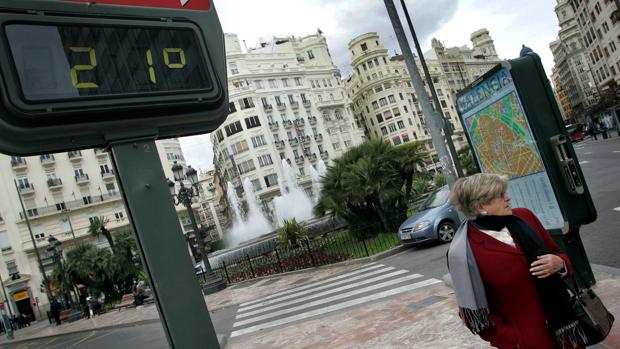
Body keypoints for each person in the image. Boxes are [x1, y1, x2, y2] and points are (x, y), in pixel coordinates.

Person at [447, 173, 585, 349]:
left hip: (568, 330)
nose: (508, 197)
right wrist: (513, 340)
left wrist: (560, 263)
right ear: (481, 207)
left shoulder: (524, 217)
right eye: (500, 195)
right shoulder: (464, 252)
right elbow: (472, 312)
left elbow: (559, 254)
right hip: (530, 340)